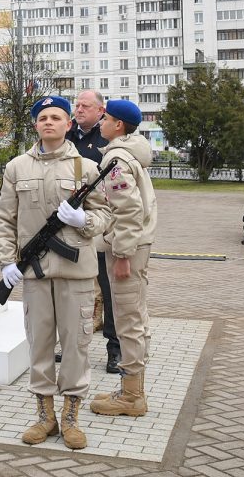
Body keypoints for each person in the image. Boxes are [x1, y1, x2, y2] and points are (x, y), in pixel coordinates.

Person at [0, 96, 111, 450]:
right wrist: (6, 262)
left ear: (68, 124)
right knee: (40, 346)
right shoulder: (16, 168)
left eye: (56, 117)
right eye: (42, 117)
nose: (49, 122)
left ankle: (71, 418)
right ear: (35, 125)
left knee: (76, 346)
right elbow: (4, 219)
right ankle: (45, 417)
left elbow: (105, 216)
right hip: (34, 275)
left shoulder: (85, 168)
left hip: (76, 275)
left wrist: (84, 220)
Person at [89, 99, 157, 420]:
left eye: (106, 118)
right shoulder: (132, 154)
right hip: (136, 245)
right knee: (136, 316)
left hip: (127, 248)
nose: (100, 122)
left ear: (118, 126)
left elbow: (128, 210)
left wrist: (122, 254)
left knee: (127, 318)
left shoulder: (116, 159)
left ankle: (131, 397)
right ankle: (132, 389)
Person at [66, 89, 120, 373]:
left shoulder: (109, 140)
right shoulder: (67, 137)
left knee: (109, 291)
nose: (79, 109)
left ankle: (115, 350)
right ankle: (71, 347)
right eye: (76, 105)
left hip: (100, 222)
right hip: (68, 224)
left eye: (85, 105)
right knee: (73, 290)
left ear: (101, 111)